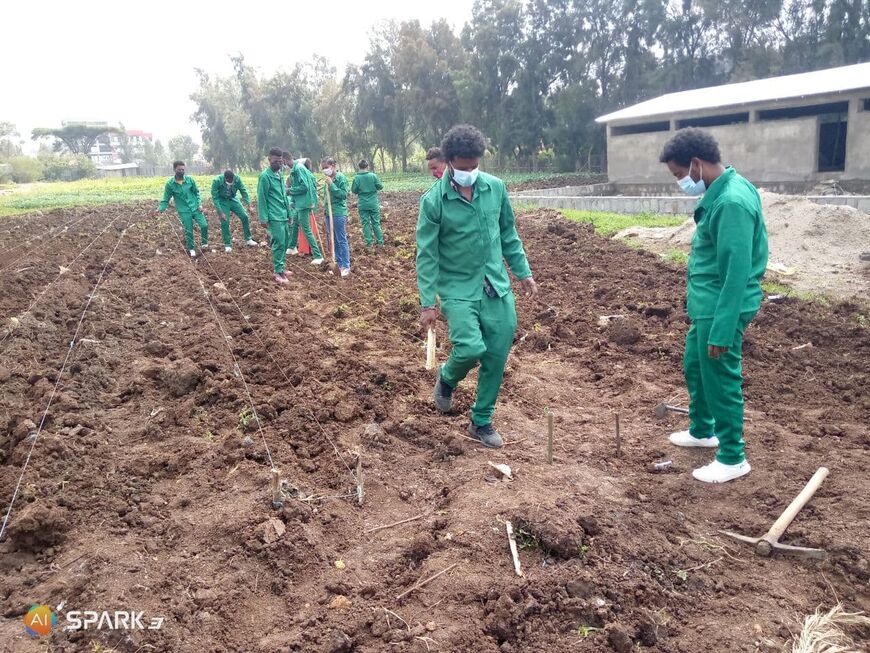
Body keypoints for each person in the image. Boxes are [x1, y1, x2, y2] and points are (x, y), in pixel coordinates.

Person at [416, 124, 538, 449]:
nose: (470, 172)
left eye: (475, 166)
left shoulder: (496, 188)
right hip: (457, 288)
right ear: (450, 161)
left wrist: (523, 272)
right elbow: (427, 255)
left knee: (497, 354)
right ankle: (448, 376)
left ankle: (480, 421)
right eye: (464, 167)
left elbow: (508, 233)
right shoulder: (433, 202)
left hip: (496, 286)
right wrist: (428, 302)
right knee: (471, 348)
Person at [659, 128, 769, 484]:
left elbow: (736, 273)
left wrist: (722, 327)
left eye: (680, 175)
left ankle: (733, 455)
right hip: (707, 304)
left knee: (720, 377)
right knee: (695, 363)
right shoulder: (725, 192)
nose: (681, 182)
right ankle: (703, 429)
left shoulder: (732, 202)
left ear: (696, 163)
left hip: (722, 306)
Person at [157, 160, 208, 258]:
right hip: (183, 210)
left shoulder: (190, 180)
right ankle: (191, 248)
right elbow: (165, 199)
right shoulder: (170, 184)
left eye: (183, 169)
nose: (181, 171)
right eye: (179, 169)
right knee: (188, 230)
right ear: (174, 170)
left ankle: (204, 244)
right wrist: (160, 209)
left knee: (204, 225)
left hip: (195, 208)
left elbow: (196, 193)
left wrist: (200, 204)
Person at [257, 147, 292, 284]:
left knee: (285, 242)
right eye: (275, 161)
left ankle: (282, 267)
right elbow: (262, 198)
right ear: (269, 159)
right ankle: (278, 272)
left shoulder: (280, 175)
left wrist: (289, 214)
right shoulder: (265, 177)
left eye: (280, 161)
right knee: (279, 243)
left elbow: (284, 196)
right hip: (274, 215)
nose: (278, 163)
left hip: (283, 214)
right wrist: (263, 218)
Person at [287, 157, 324, 265]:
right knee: (294, 224)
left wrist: (290, 191)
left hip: (303, 204)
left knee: (306, 228)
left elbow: (304, 187)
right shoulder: (297, 171)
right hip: (300, 203)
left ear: (285, 160)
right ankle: (292, 247)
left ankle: (318, 255)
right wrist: (293, 200)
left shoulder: (298, 169)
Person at [210, 169, 258, 252]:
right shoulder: (217, 181)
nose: (231, 182)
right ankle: (227, 244)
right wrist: (220, 212)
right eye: (229, 180)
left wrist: (249, 205)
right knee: (225, 221)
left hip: (233, 199)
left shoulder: (237, 179)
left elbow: (243, 191)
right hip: (222, 201)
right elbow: (215, 198)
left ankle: (248, 239)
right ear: (225, 178)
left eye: (232, 180)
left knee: (245, 216)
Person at [321, 156, 351, 277]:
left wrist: (332, 185)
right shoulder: (327, 179)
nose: (324, 170)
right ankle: (337, 264)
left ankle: (345, 265)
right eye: (323, 168)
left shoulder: (341, 178)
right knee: (333, 240)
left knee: (341, 239)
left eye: (326, 167)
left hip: (338, 213)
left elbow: (343, 195)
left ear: (333, 166)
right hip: (329, 213)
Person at [351, 159, 385, 250]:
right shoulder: (373, 176)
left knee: (365, 223)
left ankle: (369, 243)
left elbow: (354, 190)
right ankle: (380, 242)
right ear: (367, 166)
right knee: (376, 223)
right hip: (373, 203)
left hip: (362, 203)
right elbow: (380, 186)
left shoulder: (356, 178)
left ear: (359, 167)